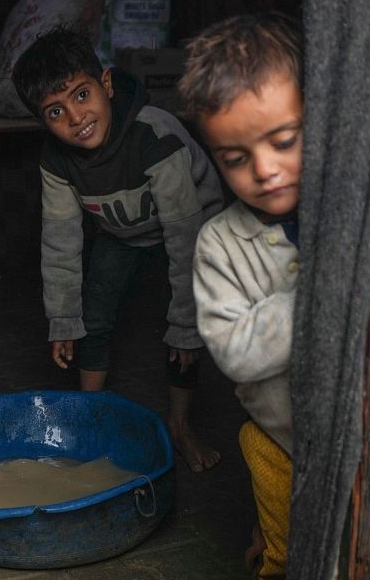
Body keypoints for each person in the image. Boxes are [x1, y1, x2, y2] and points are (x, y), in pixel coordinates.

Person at [11, 27, 225, 472]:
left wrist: (186, 324)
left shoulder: (155, 135)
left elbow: (184, 238)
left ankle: (181, 426)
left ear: (106, 84)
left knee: (184, 333)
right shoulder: (56, 160)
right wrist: (63, 319)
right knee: (92, 315)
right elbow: (60, 241)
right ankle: (89, 421)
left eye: (82, 94)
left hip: (194, 230)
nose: (75, 117)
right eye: (55, 110)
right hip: (123, 235)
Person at [178, 13, 304, 580]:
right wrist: (318, 295)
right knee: (286, 560)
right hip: (282, 442)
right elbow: (235, 352)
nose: (266, 169)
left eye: (285, 140)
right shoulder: (220, 245)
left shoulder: (367, 207)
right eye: (236, 157)